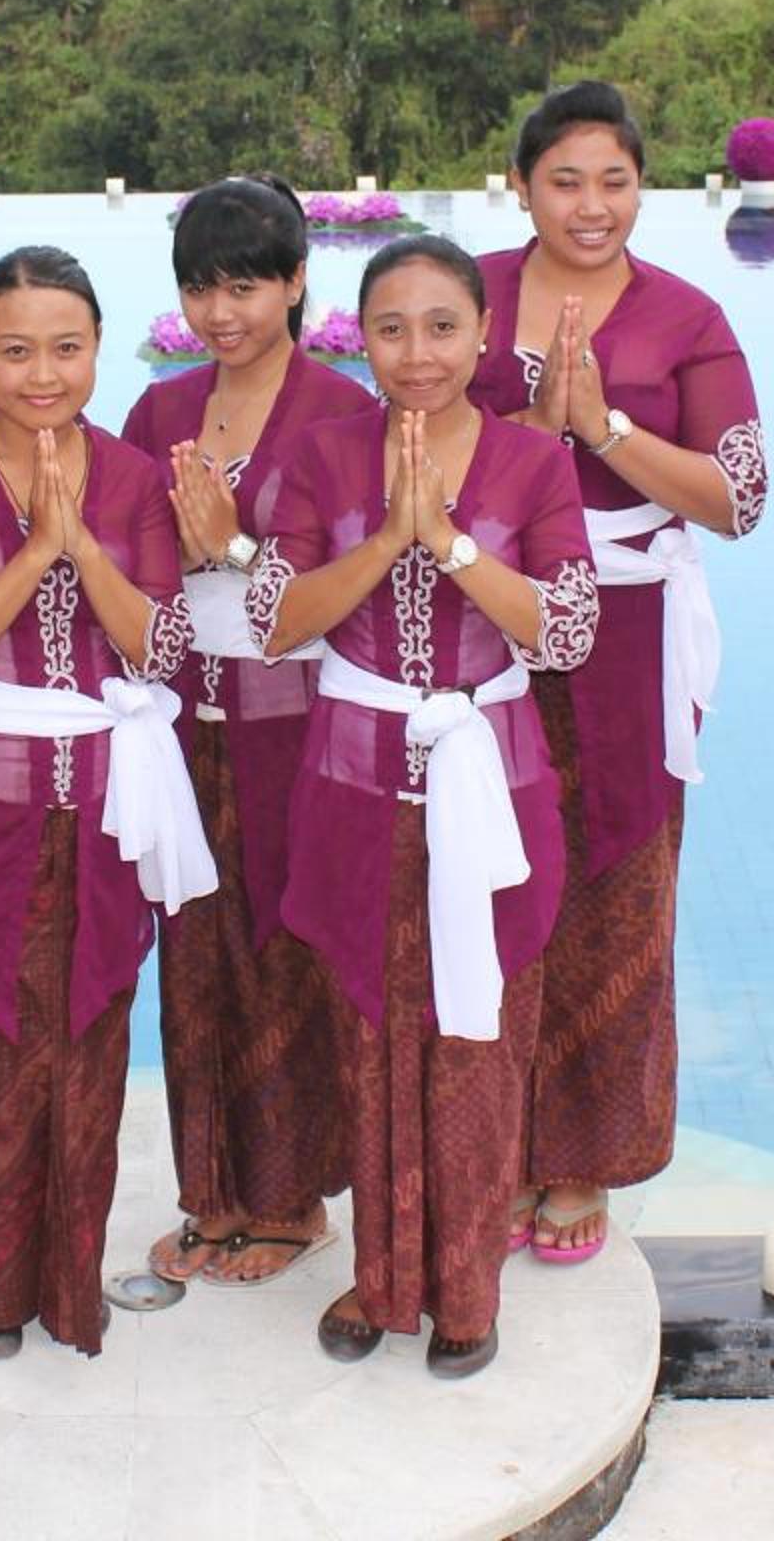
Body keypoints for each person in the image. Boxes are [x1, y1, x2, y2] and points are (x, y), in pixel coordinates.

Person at [250, 234, 598, 1379]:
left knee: (477, 1042)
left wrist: (443, 540)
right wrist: (388, 536)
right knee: (367, 1035)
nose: (417, 353)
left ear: (484, 332)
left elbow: (567, 629)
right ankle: (381, 1276)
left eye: (443, 326)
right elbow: (275, 620)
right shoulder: (320, 455)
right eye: (391, 328)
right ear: (358, 337)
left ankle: (466, 1289)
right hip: (352, 790)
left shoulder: (533, 462)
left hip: (492, 792)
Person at [0, 245, 212, 1357]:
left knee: (87, 1047)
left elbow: (160, 647)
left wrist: (84, 548)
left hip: (106, 811)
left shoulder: (132, 475)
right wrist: (36, 553)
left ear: (98, 348)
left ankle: (68, 1283)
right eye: (16, 350)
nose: (43, 373)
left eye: (67, 348)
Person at [471, 81, 768, 1265]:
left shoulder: (686, 318)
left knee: (615, 886)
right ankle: (492, 1139)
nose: (591, 205)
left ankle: (581, 1155)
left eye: (615, 180)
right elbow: (412, 444)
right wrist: (534, 436)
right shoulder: (468, 299)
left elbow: (739, 499)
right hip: (488, 619)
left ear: (642, 185)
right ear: (521, 186)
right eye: (565, 180)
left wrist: (603, 430)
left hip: (630, 637)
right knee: (488, 879)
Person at [118, 178, 376, 1288]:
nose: (221, 312)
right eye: (200, 288)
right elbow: (123, 558)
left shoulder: (341, 414)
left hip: (299, 718)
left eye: (245, 286)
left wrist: (227, 549)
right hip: (183, 717)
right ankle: (213, 1194)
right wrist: (168, 556)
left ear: (296, 281)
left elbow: (358, 582)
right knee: (195, 954)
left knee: (286, 947)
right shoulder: (160, 414)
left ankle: (291, 1199)